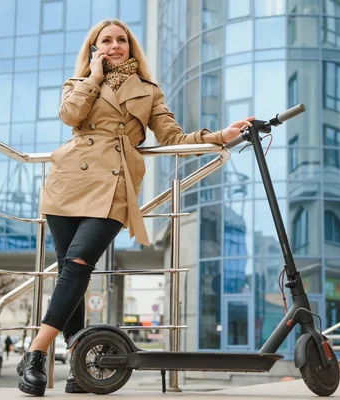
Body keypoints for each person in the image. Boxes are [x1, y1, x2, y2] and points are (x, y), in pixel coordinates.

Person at [16, 19, 253, 397]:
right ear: (94, 48)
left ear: (130, 46)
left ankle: (34, 353)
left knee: (78, 263)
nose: (114, 46)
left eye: (120, 40)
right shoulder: (77, 84)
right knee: (68, 272)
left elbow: (172, 137)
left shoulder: (148, 91)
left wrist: (219, 137)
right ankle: (79, 364)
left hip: (114, 184)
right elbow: (71, 117)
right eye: (105, 41)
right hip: (67, 183)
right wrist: (93, 75)